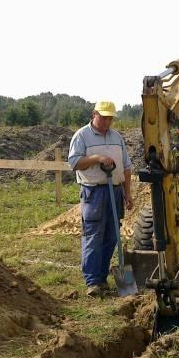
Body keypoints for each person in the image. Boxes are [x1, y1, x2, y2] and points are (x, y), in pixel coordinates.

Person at [67, 100, 135, 297]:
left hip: (114, 190)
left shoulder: (116, 137)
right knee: (93, 234)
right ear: (94, 114)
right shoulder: (82, 136)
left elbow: (127, 167)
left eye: (110, 118)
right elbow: (74, 162)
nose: (106, 122)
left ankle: (103, 276)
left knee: (111, 236)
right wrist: (97, 158)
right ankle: (93, 281)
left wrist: (127, 193)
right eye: (103, 117)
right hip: (94, 192)